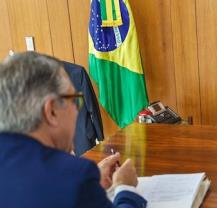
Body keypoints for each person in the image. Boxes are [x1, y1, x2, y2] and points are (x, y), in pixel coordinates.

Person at [0, 52, 147, 208]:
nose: (77, 110)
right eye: (75, 101)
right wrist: (126, 189)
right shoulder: (75, 177)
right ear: (52, 111)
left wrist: (91, 183)